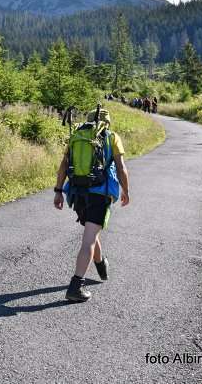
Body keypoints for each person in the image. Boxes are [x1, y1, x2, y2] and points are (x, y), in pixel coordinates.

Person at [53, 108, 130, 302]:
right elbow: (120, 167)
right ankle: (76, 286)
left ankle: (101, 265)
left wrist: (58, 191)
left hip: (78, 193)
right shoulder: (112, 137)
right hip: (99, 194)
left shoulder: (77, 135)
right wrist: (126, 191)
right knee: (88, 239)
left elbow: (64, 164)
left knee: (91, 232)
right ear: (107, 122)